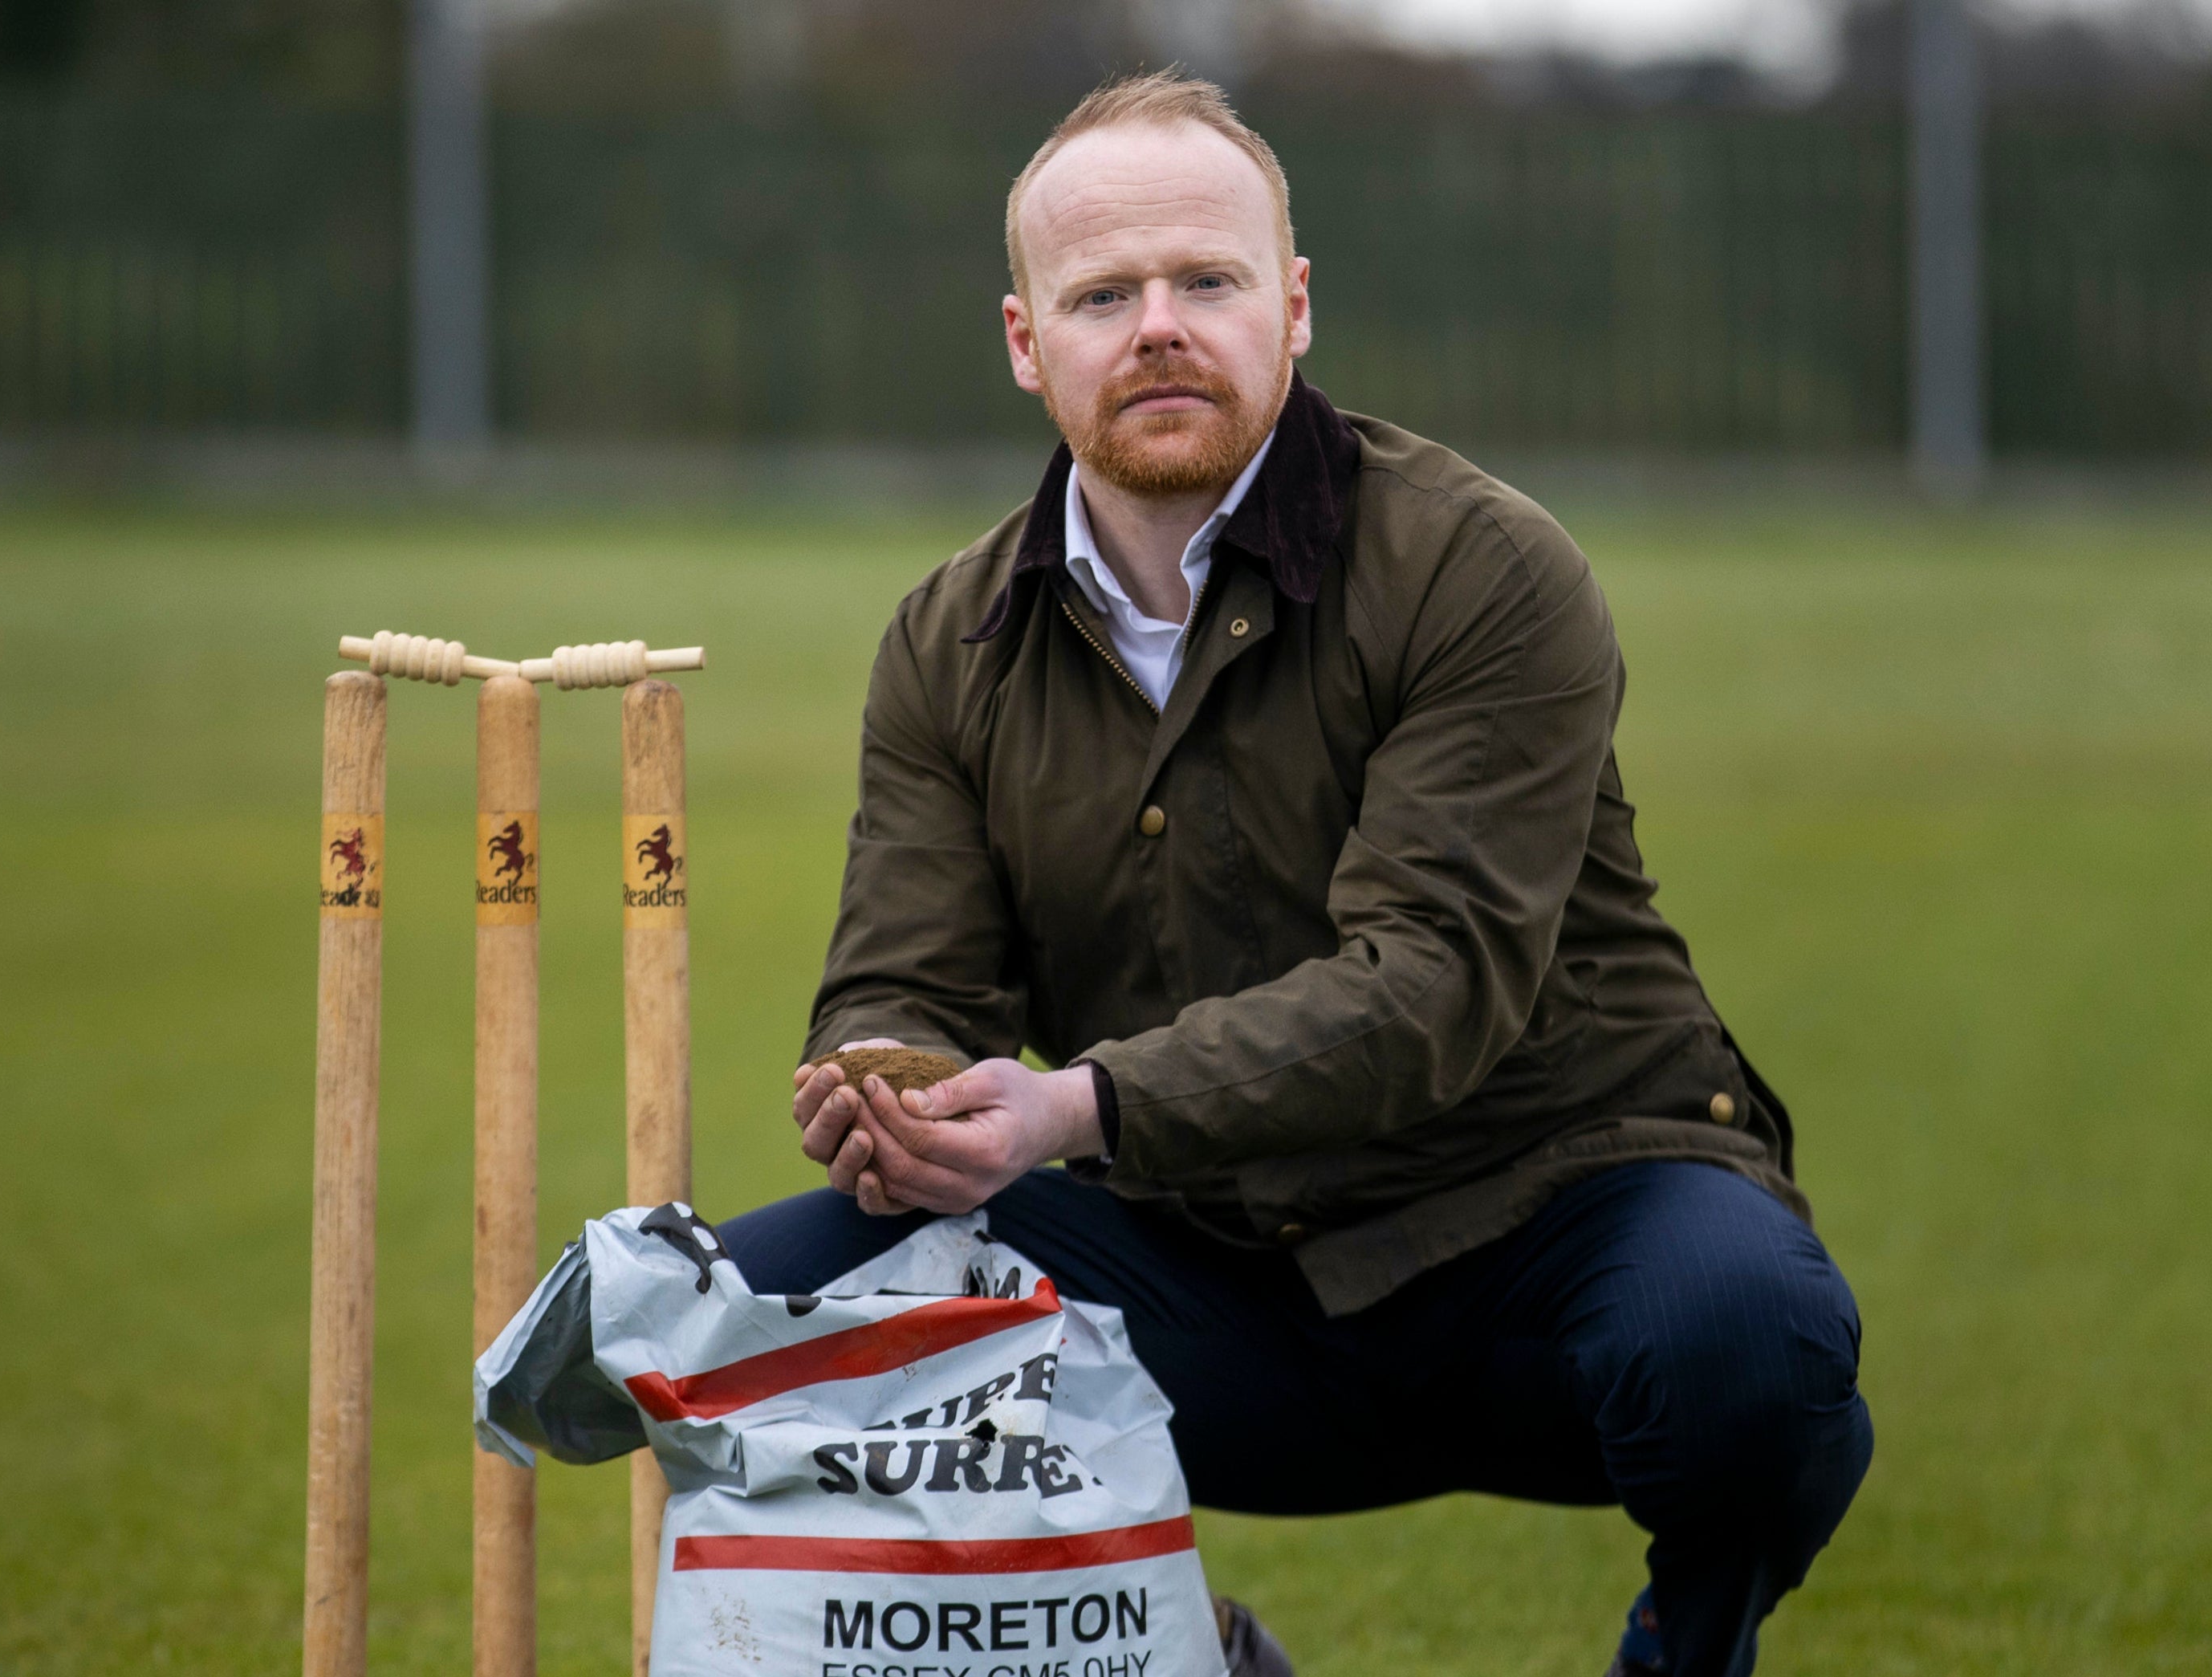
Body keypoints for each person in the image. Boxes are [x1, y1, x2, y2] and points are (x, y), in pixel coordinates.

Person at [720, 70, 1872, 1677]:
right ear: (1023, 340)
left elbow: (1429, 985)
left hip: (1550, 1219)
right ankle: (1190, 1663)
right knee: (760, 1318)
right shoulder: (945, 639)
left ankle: (1686, 1655)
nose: (1159, 326)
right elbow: (907, 976)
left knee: (1752, 1349)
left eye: (1207, 280)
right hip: (1205, 1269)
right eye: (1104, 293)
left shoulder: (1483, 566)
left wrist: (1072, 1108)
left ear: (1296, 304)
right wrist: (882, 1091)